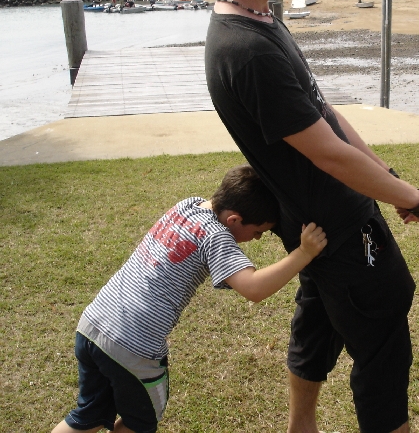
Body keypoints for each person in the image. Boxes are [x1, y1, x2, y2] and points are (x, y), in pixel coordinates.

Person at [193, 0, 419, 431]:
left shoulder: (260, 21)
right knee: (383, 349)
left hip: (316, 223)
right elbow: (327, 152)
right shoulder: (246, 49)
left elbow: (324, 113)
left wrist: (392, 183)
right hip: (339, 227)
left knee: (317, 326)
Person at [51, 165, 327, 433]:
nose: (256, 239)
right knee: (140, 422)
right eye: (257, 232)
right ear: (233, 220)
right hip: (132, 346)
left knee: (89, 414)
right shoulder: (216, 236)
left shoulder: (188, 205)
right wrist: (303, 253)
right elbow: (254, 288)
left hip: (92, 325)